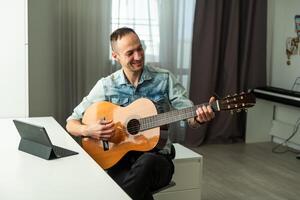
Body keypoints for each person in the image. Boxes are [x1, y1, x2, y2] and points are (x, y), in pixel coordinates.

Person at [66, 27, 215, 200]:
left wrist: (198, 118)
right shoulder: (106, 85)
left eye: (140, 49)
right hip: (119, 161)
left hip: (157, 160)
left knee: (144, 165)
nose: (138, 56)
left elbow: (189, 115)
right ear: (116, 56)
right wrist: (89, 131)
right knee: (136, 191)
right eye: (130, 53)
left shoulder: (164, 79)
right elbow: (71, 122)